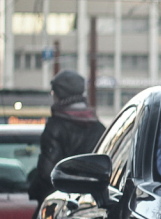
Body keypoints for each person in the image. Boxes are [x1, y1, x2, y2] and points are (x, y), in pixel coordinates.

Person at [29, 70, 106, 206]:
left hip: (60, 202)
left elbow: (47, 173)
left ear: (59, 94)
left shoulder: (55, 127)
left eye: (53, 92)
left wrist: (34, 189)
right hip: (92, 201)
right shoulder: (98, 127)